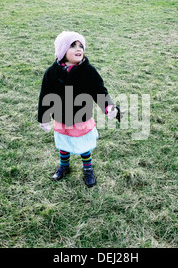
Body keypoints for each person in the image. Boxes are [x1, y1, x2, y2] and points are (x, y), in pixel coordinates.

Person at [37, 31, 122, 187]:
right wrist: (43, 118)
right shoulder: (52, 72)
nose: (79, 49)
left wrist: (108, 107)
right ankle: (64, 166)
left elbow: (99, 91)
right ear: (62, 51)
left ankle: (88, 169)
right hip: (61, 117)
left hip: (81, 117)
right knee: (63, 143)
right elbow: (45, 95)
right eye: (73, 45)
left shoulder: (88, 71)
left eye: (81, 46)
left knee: (84, 145)